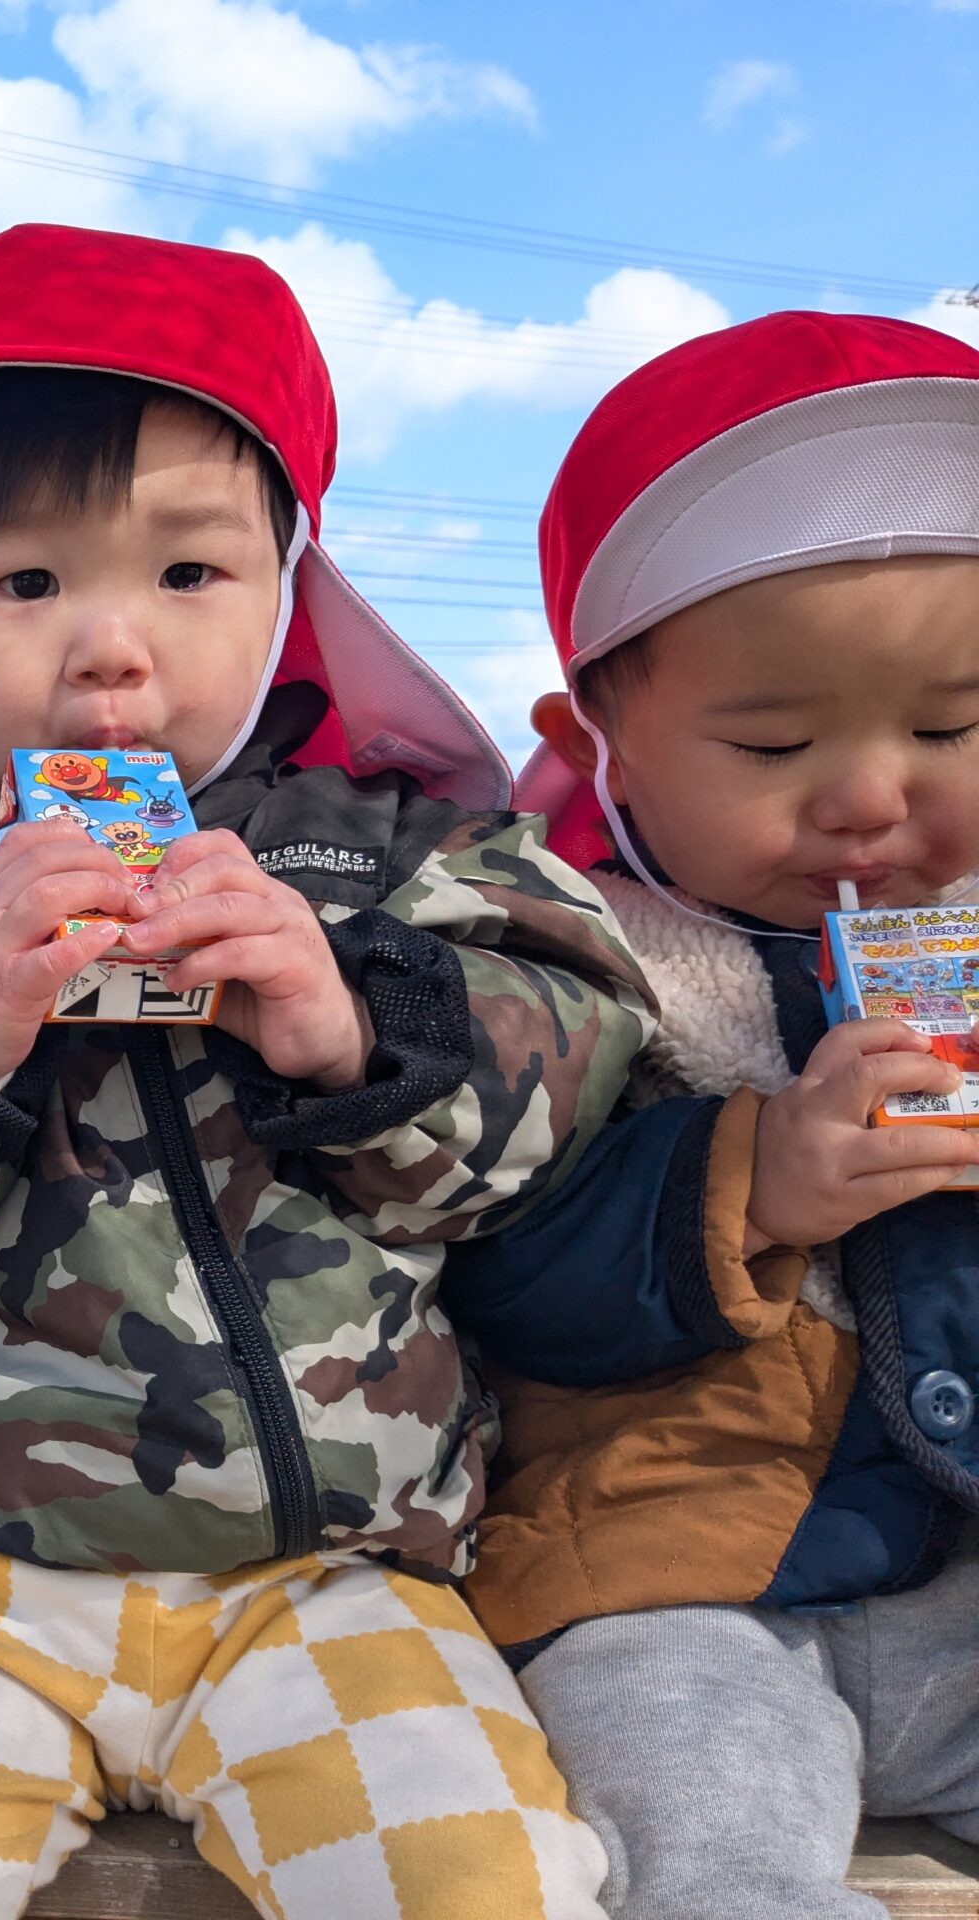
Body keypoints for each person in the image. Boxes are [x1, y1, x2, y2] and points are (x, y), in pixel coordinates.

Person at [0, 224, 649, 1920]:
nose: (112, 647)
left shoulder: (393, 857)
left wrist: (349, 1025)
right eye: (26, 583)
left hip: (329, 1571)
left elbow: (569, 1082)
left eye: (191, 574)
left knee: (485, 1884)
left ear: (290, 592)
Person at [443, 311, 979, 1920]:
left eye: (950, 726)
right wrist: (753, 1183)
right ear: (591, 745)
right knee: (707, 1860)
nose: (868, 794)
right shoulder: (556, 961)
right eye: (774, 741)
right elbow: (493, 1268)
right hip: (668, 1589)